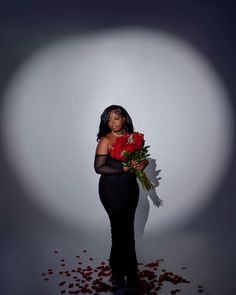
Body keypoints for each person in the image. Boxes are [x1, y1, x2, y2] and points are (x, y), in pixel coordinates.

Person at [94, 105, 148, 289]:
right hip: (111, 192)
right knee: (119, 231)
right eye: (109, 120)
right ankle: (121, 272)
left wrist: (143, 162)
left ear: (124, 118)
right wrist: (122, 168)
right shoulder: (105, 140)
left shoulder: (132, 137)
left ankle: (128, 272)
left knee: (128, 230)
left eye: (116, 118)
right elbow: (98, 168)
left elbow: (141, 156)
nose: (113, 123)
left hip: (131, 189)